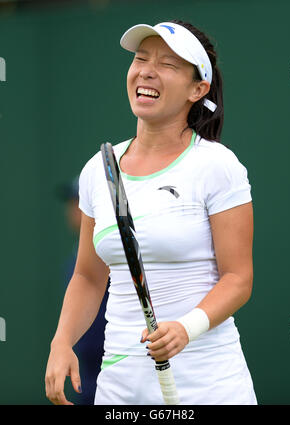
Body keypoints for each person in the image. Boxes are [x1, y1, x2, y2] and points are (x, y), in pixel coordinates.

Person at [45, 20, 257, 405]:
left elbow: (238, 278)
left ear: (198, 89)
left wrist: (186, 328)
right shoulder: (100, 168)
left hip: (209, 383)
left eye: (168, 65)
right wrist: (62, 341)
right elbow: (88, 277)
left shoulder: (217, 166)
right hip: (119, 387)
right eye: (141, 59)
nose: (146, 70)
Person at [54, 176, 109, 404]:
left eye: (78, 202)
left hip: (116, 363)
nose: (73, 210)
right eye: (72, 203)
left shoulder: (111, 254)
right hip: (86, 368)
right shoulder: (78, 256)